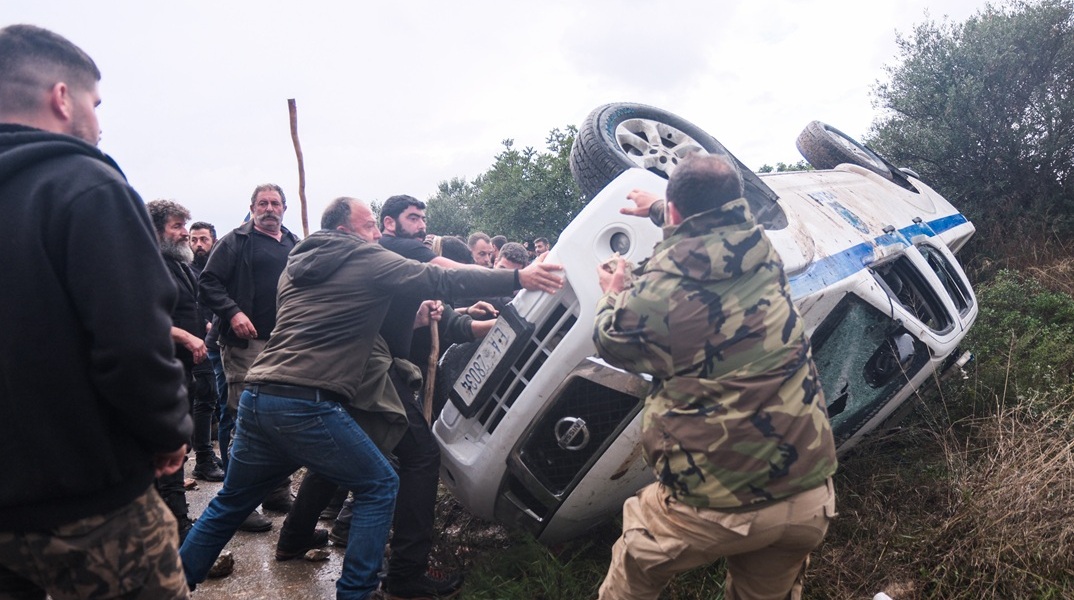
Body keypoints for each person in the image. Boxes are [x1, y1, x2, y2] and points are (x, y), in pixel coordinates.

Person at [180, 197, 562, 599]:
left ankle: (170, 584)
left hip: (261, 395)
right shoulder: (362, 258)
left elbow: (337, 315)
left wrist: (414, 318)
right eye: (369, 227)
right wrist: (520, 280)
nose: (377, 235)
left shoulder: (295, 266)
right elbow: (442, 280)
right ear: (345, 231)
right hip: (305, 401)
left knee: (229, 504)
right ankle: (358, 591)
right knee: (379, 484)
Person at [0, 24, 192, 599]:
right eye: (96, 104)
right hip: (93, 507)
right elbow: (134, 343)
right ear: (63, 98)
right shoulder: (85, 184)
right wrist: (167, 433)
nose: (99, 123)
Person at [593, 153, 838, 600]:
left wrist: (612, 294)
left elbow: (610, 341)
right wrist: (660, 208)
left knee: (634, 568)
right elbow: (716, 233)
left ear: (675, 213)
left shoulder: (658, 292)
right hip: (808, 496)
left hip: (715, 506)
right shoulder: (762, 250)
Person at [198, 183, 299, 530]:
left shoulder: (294, 243)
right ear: (252, 207)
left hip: (284, 343)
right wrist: (234, 312)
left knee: (280, 418)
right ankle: (239, 502)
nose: (269, 208)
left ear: (285, 207)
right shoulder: (235, 241)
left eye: (275, 203)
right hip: (246, 345)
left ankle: (277, 492)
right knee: (244, 418)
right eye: (262, 203)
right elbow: (208, 283)